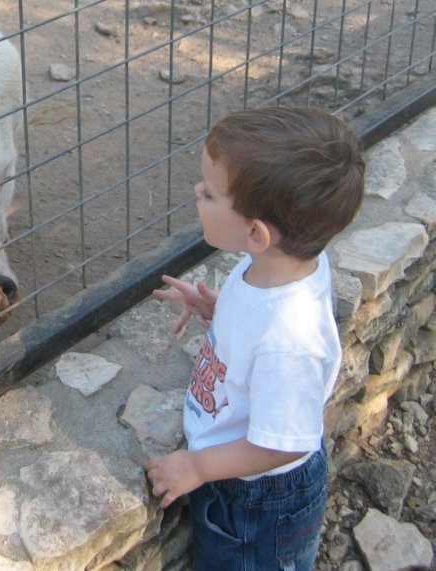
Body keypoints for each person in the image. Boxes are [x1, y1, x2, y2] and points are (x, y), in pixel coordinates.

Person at [145, 106, 365, 570]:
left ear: (257, 233)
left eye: (209, 193)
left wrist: (197, 467)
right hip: (242, 478)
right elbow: (258, 316)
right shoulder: (282, 265)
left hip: (260, 502)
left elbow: (286, 443)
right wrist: (217, 308)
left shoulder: (289, 340)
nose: (195, 192)